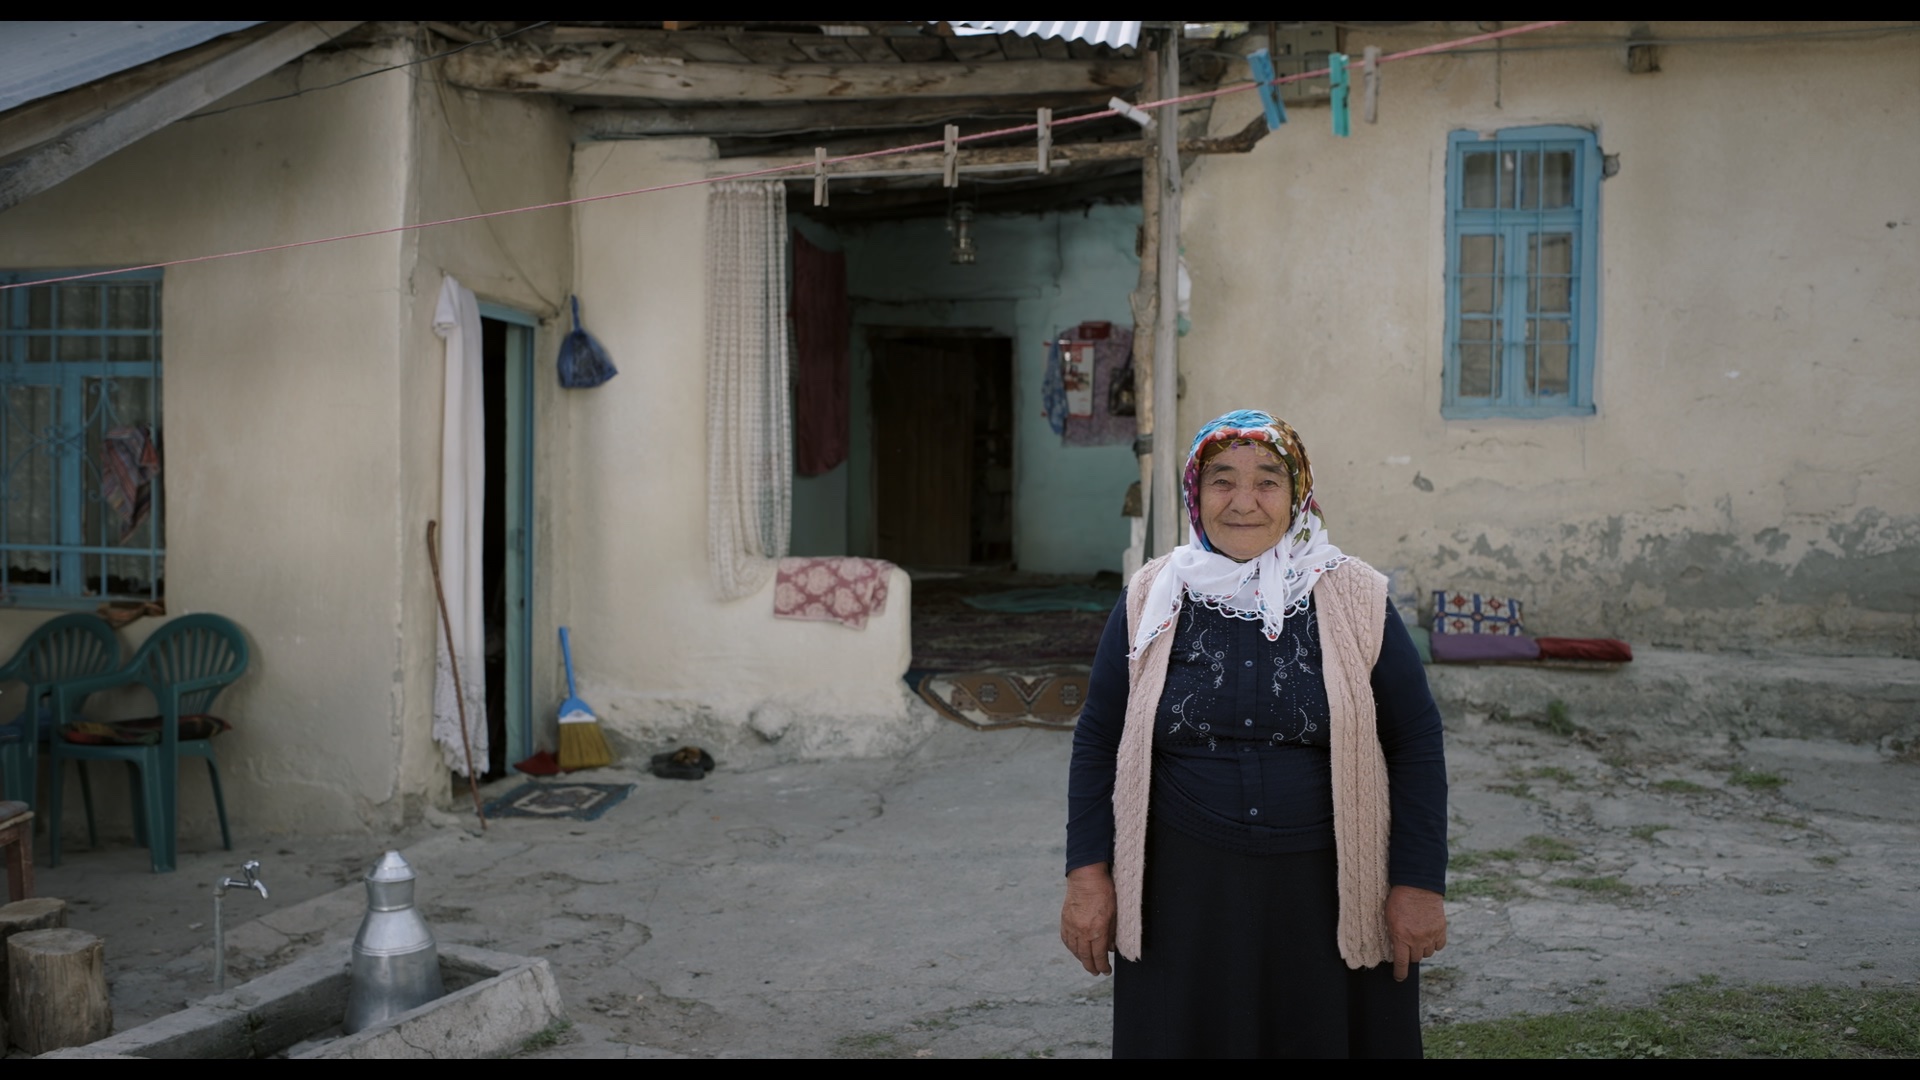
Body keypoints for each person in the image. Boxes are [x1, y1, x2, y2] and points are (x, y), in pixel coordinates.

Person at [1060, 409, 1449, 1058]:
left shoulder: (1353, 595)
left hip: (1327, 889)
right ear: (1194, 492)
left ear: (1298, 495)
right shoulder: (1151, 596)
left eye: (1267, 480)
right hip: (1183, 896)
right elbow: (1099, 738)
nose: (1243, 502)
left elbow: (1414, 742)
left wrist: (1418, 883)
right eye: (1221, 480)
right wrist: (1087, 877)